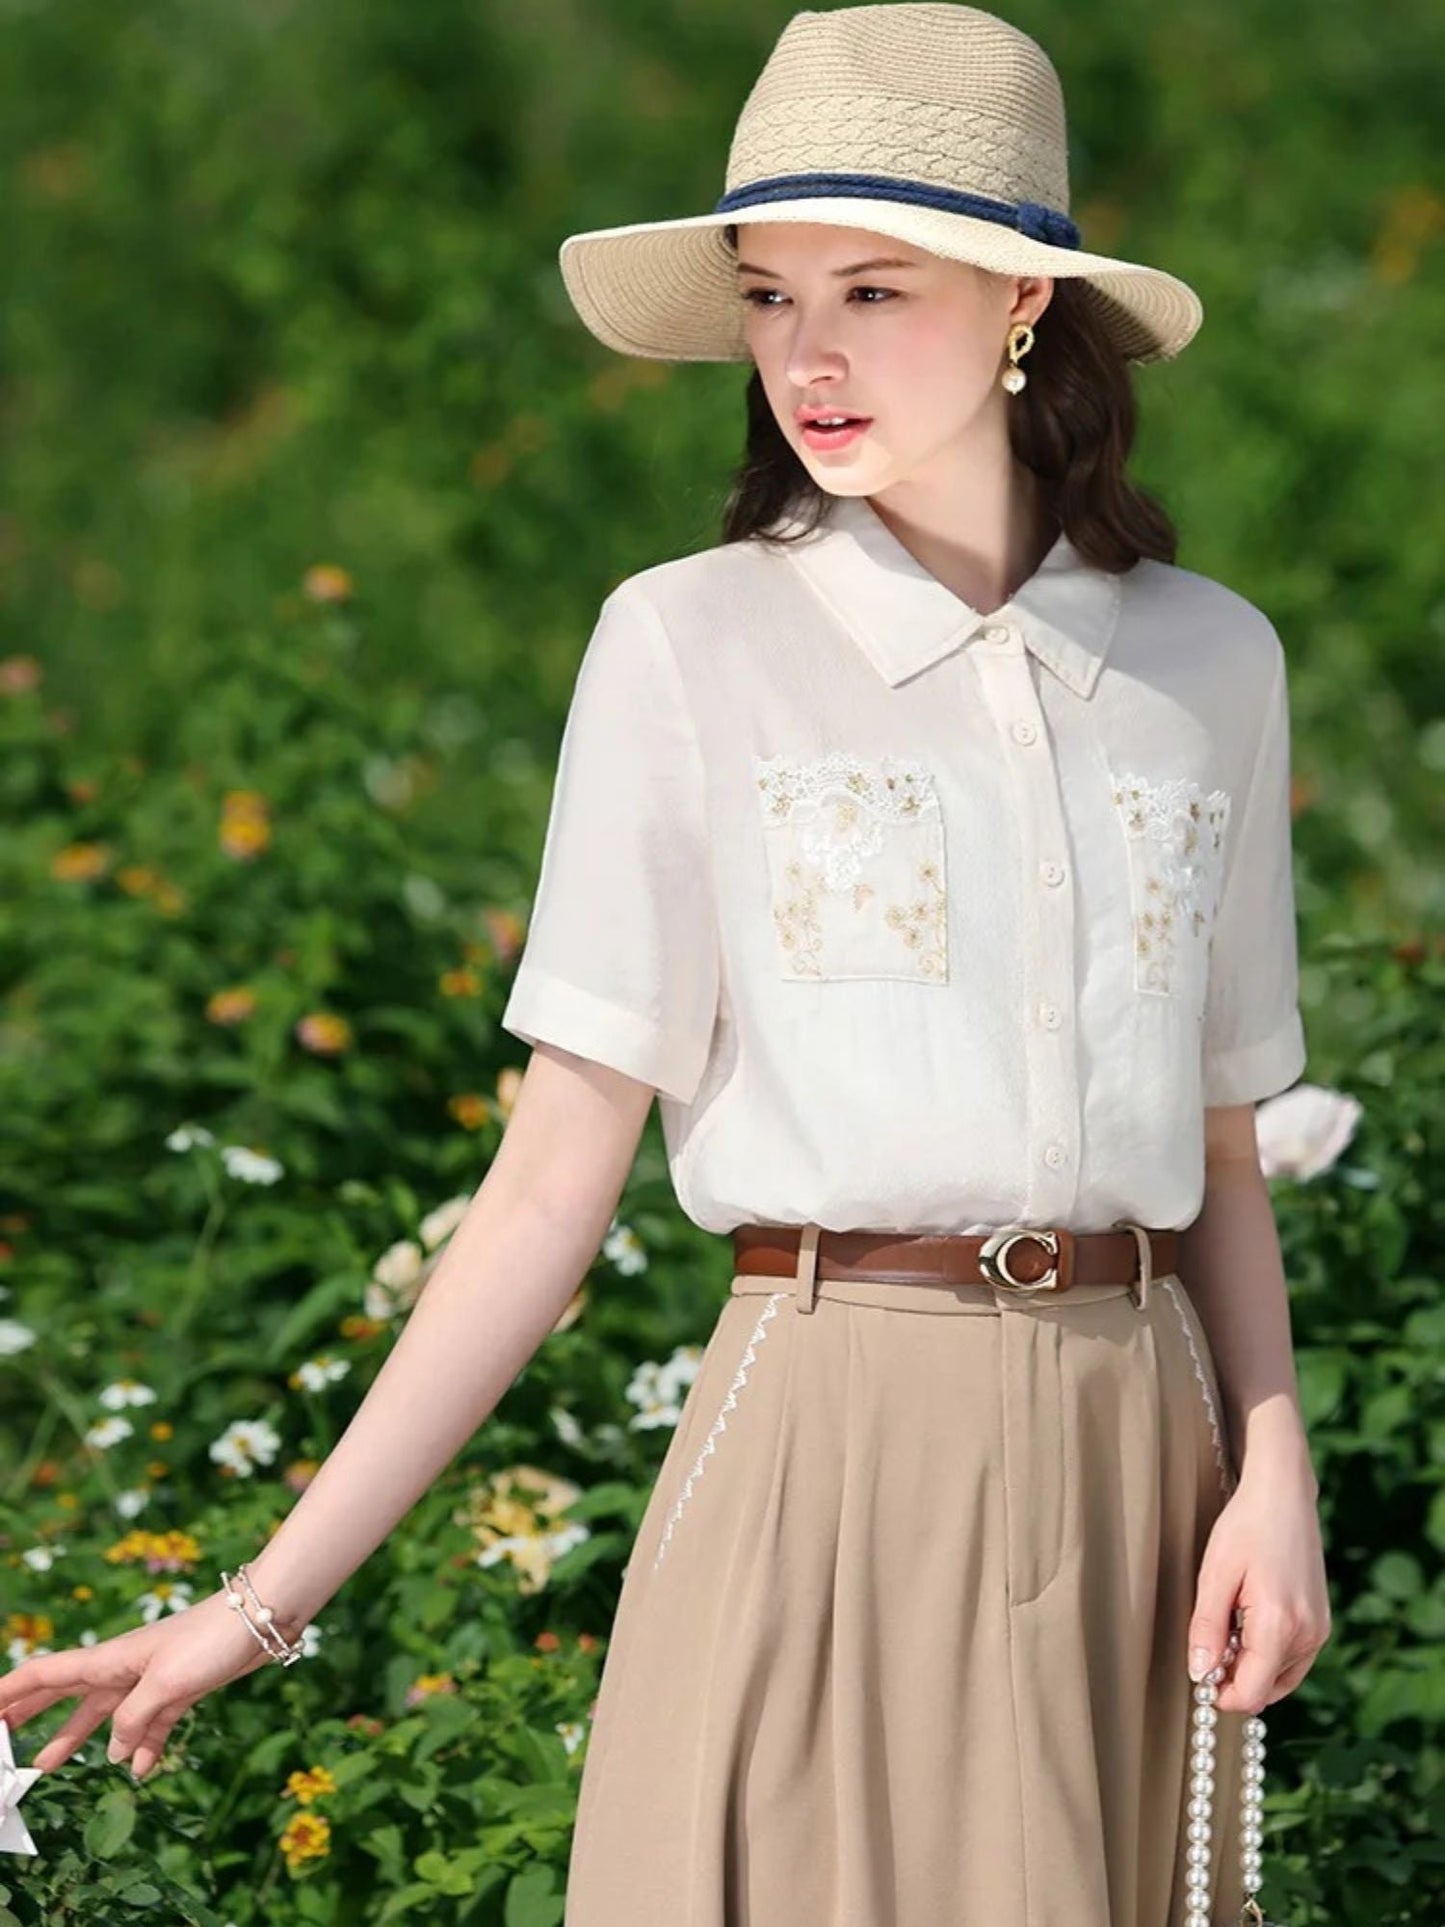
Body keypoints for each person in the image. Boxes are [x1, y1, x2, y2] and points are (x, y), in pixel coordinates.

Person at [0, 6, 1330, 1924]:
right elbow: (550, 1189)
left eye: (871, 287)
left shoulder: (1212, 665)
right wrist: (258, 1604)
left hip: (1145, 1466)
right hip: (821, 1443)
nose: (808, 351)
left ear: (1025, 302)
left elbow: (1218, 1144)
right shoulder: (688, 645)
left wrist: (1267, 1471)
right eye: (770, 294)